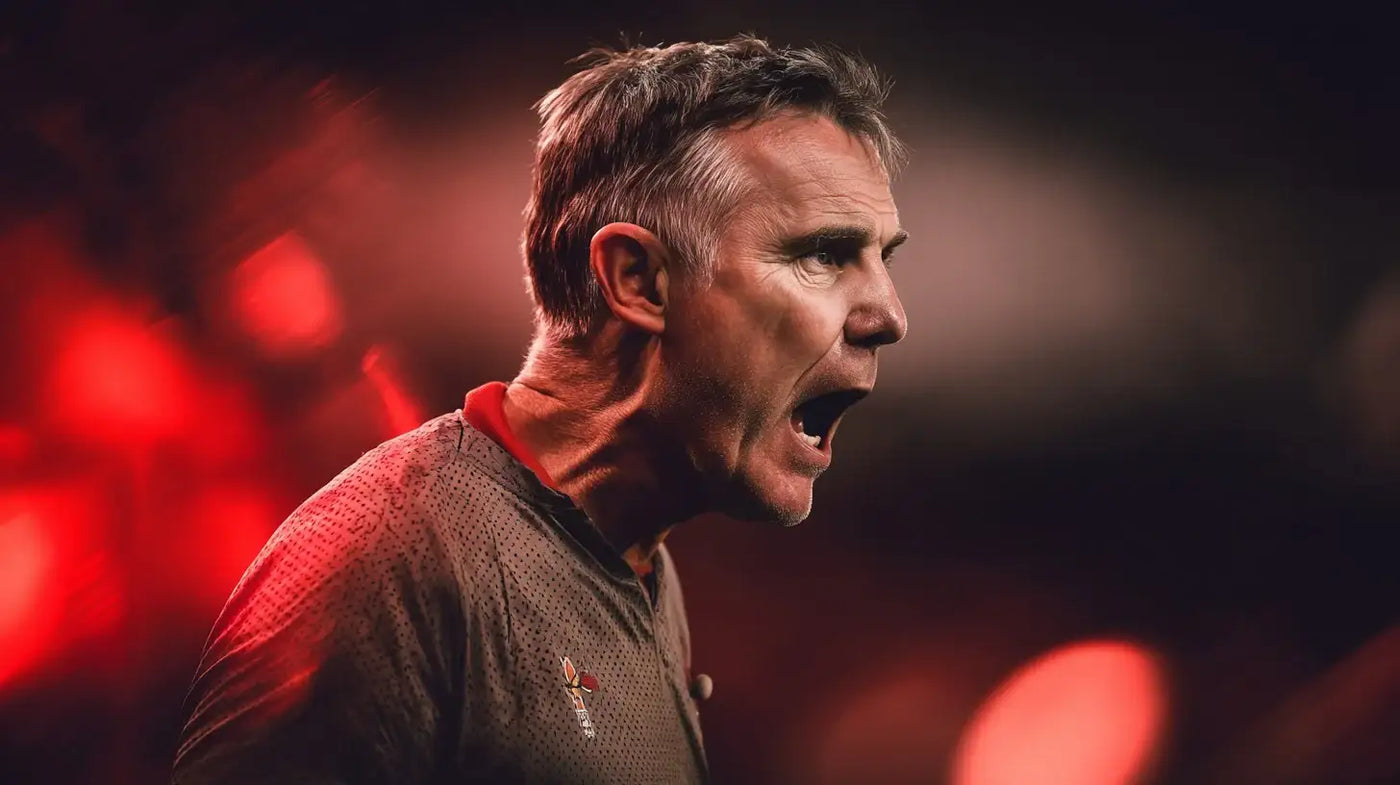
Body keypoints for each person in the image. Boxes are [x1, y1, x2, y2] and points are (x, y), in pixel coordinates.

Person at [172, 34, 908, 785]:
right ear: (638, 280)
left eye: (886, 258)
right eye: (822, 254)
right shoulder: (395, 558)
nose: (890, 313)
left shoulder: (636, 557)